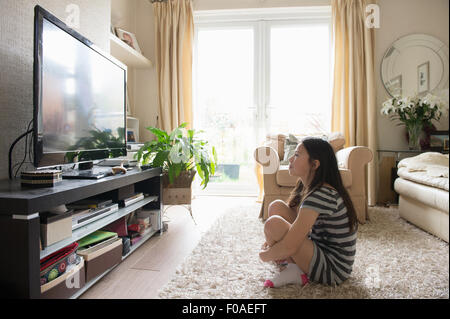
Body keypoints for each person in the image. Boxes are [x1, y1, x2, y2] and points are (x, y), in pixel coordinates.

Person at [259, 137, 358, 287]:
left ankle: (293, 269)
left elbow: (289, 245)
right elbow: (300, 227)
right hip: (321, 248)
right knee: (276, 206)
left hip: (333, 269)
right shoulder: (314, 188)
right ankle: (292, 266)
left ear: (314, 164)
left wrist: (265, 255)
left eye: (297, 155)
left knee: (273, 225)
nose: (291, 159)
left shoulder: (320, 194)